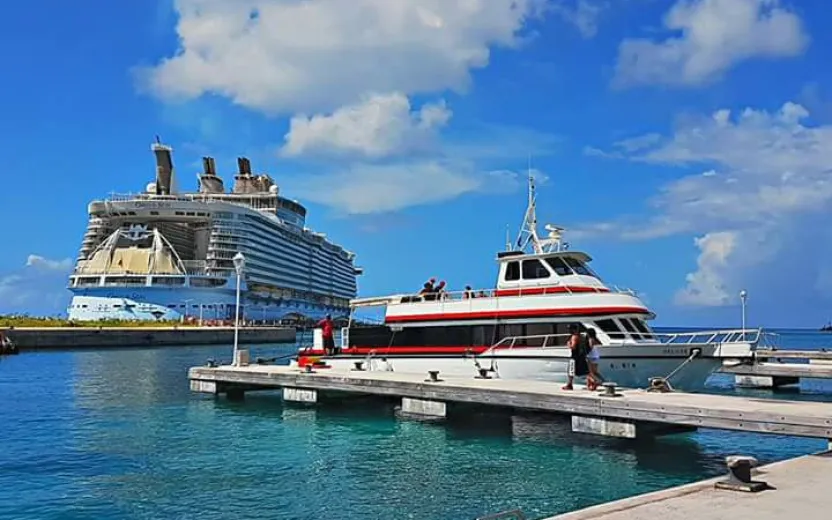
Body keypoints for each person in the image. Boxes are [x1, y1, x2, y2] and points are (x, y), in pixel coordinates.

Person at [562, 324, 589, 390]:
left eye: (570, 329)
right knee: (584, 371)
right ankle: (570, 384)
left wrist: (569, 344)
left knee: (570, 371)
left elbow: (573, 347)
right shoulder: (581, 336)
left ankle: (569, 385)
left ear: (573, 329)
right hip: (581, 356)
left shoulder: (574, 337)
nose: (569, 330)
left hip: (574, 356)